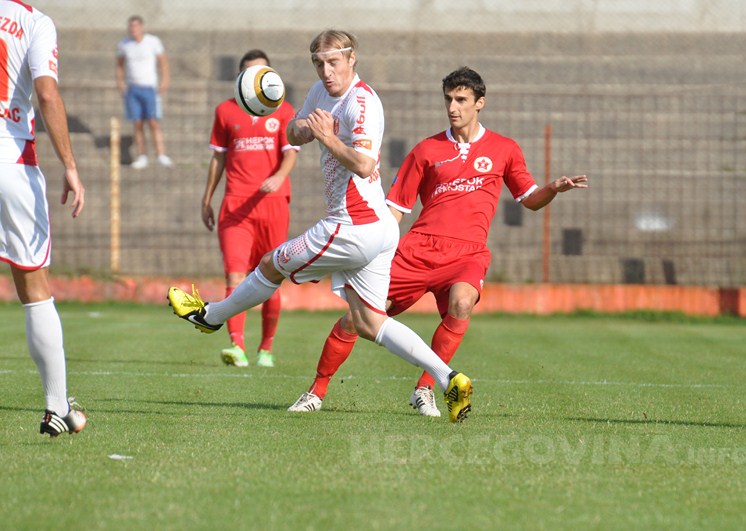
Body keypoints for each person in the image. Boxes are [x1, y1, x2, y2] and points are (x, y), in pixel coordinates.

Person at [168, 29, 473, 423]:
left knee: (270, 264)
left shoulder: (363, 103)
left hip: (353, 224)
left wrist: (327, 137)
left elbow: (364, 164)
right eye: (318, 63)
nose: (326, 71)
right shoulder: (319, 92)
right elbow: (294, 132)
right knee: (369, 321)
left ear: (351, 59)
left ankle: (212, 317)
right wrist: (301, 127)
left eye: (333, 62)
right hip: (375, 228)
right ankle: (450, 378)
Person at [288, 67, 588, 417]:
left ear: (480, 103)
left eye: (461, 100)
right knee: (359, 317)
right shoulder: (426, 150)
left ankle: (425, 389)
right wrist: (366, 251)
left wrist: (554, 188)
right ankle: (316, 391)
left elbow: (531, 199)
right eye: (448, 99)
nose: (453, 107)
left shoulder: (505, 149)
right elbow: (394, 211)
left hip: (468, 253)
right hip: (418, 249)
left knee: (462, 303)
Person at [0, 1, 87, 436]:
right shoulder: (34, 21)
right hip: (11, 159)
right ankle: (56, 407)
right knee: (34, 287)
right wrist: (70, 165)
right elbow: (47, 92)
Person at [203, 49, 299, 368]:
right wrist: (207, 199)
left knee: (270, 275)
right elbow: (218, 158)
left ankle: (266, 349)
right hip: (235, 205)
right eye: (250, 74)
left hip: (273, 205)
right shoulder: (225, 112)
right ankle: (237, 347)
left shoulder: (285, 112)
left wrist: (278, 177)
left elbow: (290, 153)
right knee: (234, 273)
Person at [115, 15, 172, 169]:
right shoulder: (124, 44)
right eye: (131, 27)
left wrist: (165, 80)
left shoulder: (153, 42)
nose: (134, 29)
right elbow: (120, 65)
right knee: (137, 123)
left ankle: (161, 154)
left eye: (136, 26)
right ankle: (142, 155)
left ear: (141, 27)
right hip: (133, 88)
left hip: (149, 87)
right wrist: (120, 83)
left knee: (153, 122)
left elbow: (163, 62)